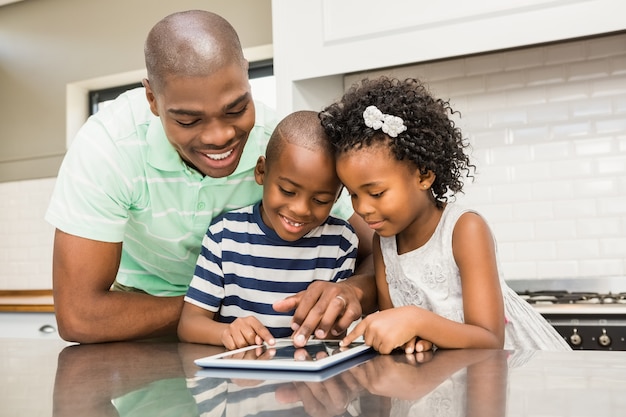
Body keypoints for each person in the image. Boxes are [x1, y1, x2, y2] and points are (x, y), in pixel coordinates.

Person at [45, 10, 375, 344]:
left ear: (246, 74)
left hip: (251, 335)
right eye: (188, 120)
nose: (219, 136)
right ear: (152, 100)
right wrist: (219, 309)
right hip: (137, 324)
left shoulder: (284, 149)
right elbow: (80, 317)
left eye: (235, 109)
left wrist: (351, 291)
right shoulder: (109, 147)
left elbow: (380, 251)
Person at [319, 76, 571, 353]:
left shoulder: (464, 229)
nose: (362, 208)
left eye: (376, 193)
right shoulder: (383, 243)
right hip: (451, 376)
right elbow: (399, 329)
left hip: (509, 366)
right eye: (354, 194)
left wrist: (417, 321)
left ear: (424, 175)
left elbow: (489, 339)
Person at [177, 110, 359, 349]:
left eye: (321, 200)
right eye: (287, 191)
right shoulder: (224, 236)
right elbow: (189, 324)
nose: (301, 209)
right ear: (261, 171)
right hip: (241, 378)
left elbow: (336, 332)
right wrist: (226, 332)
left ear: (338, 196)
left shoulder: (341, 241)